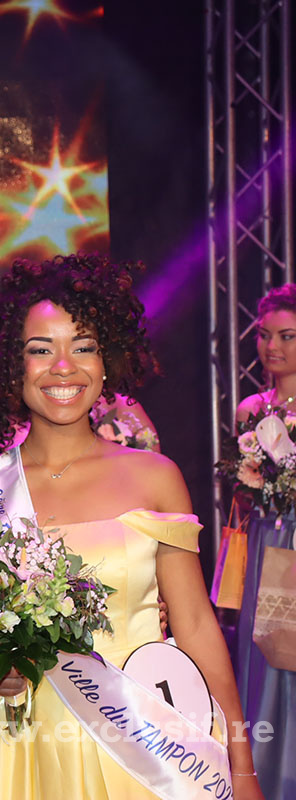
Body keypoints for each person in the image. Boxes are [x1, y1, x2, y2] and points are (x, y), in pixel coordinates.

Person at [0, 254, 262, 800]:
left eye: (83, 347)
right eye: (40, 350)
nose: (63, 367)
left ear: (106, 362)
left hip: (146, 745)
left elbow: (195, 625)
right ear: (14, 365)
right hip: (30, 746)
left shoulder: (154, 477)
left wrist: (240, 766)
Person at [232, 282, 296, 799]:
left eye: (287, 336)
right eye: (265, 334)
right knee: (268, 648)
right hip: (267, 541)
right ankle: (268, 773)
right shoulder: (251, 408)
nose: (272, 346)